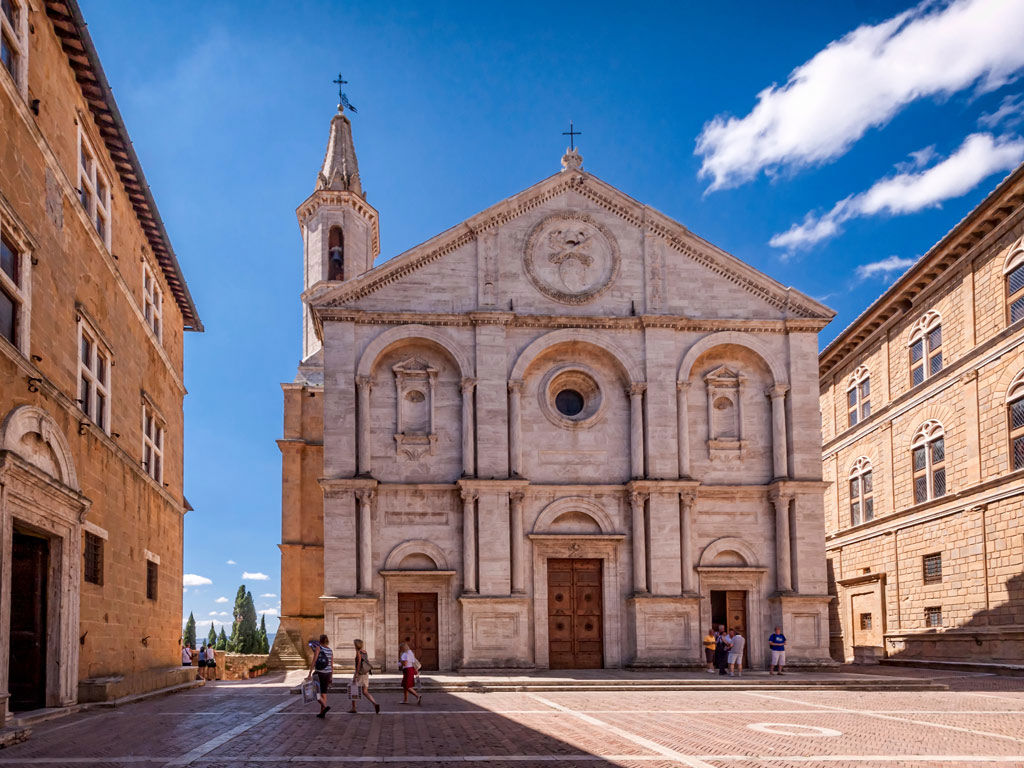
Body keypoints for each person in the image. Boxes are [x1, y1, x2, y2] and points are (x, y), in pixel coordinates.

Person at [349, 638, 379, 714]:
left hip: (359, 674)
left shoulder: (358, 653)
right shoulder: (365, 652)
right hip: (366, 673)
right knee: (365, 691)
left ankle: (354, 708)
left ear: (356, 645)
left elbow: (359, 664)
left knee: (354, 689)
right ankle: (374, 703)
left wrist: (356, 675)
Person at [307, 634, 333, 718]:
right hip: (328, 673)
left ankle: (325, 707)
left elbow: (314, 661)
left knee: (315, 693)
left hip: (319, 673)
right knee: (324, 693)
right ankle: (322, 712)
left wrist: (310, 673)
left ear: (320, 640)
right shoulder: (330, 650)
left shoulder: (318, 648)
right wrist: (331, 676)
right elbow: (331, 664)